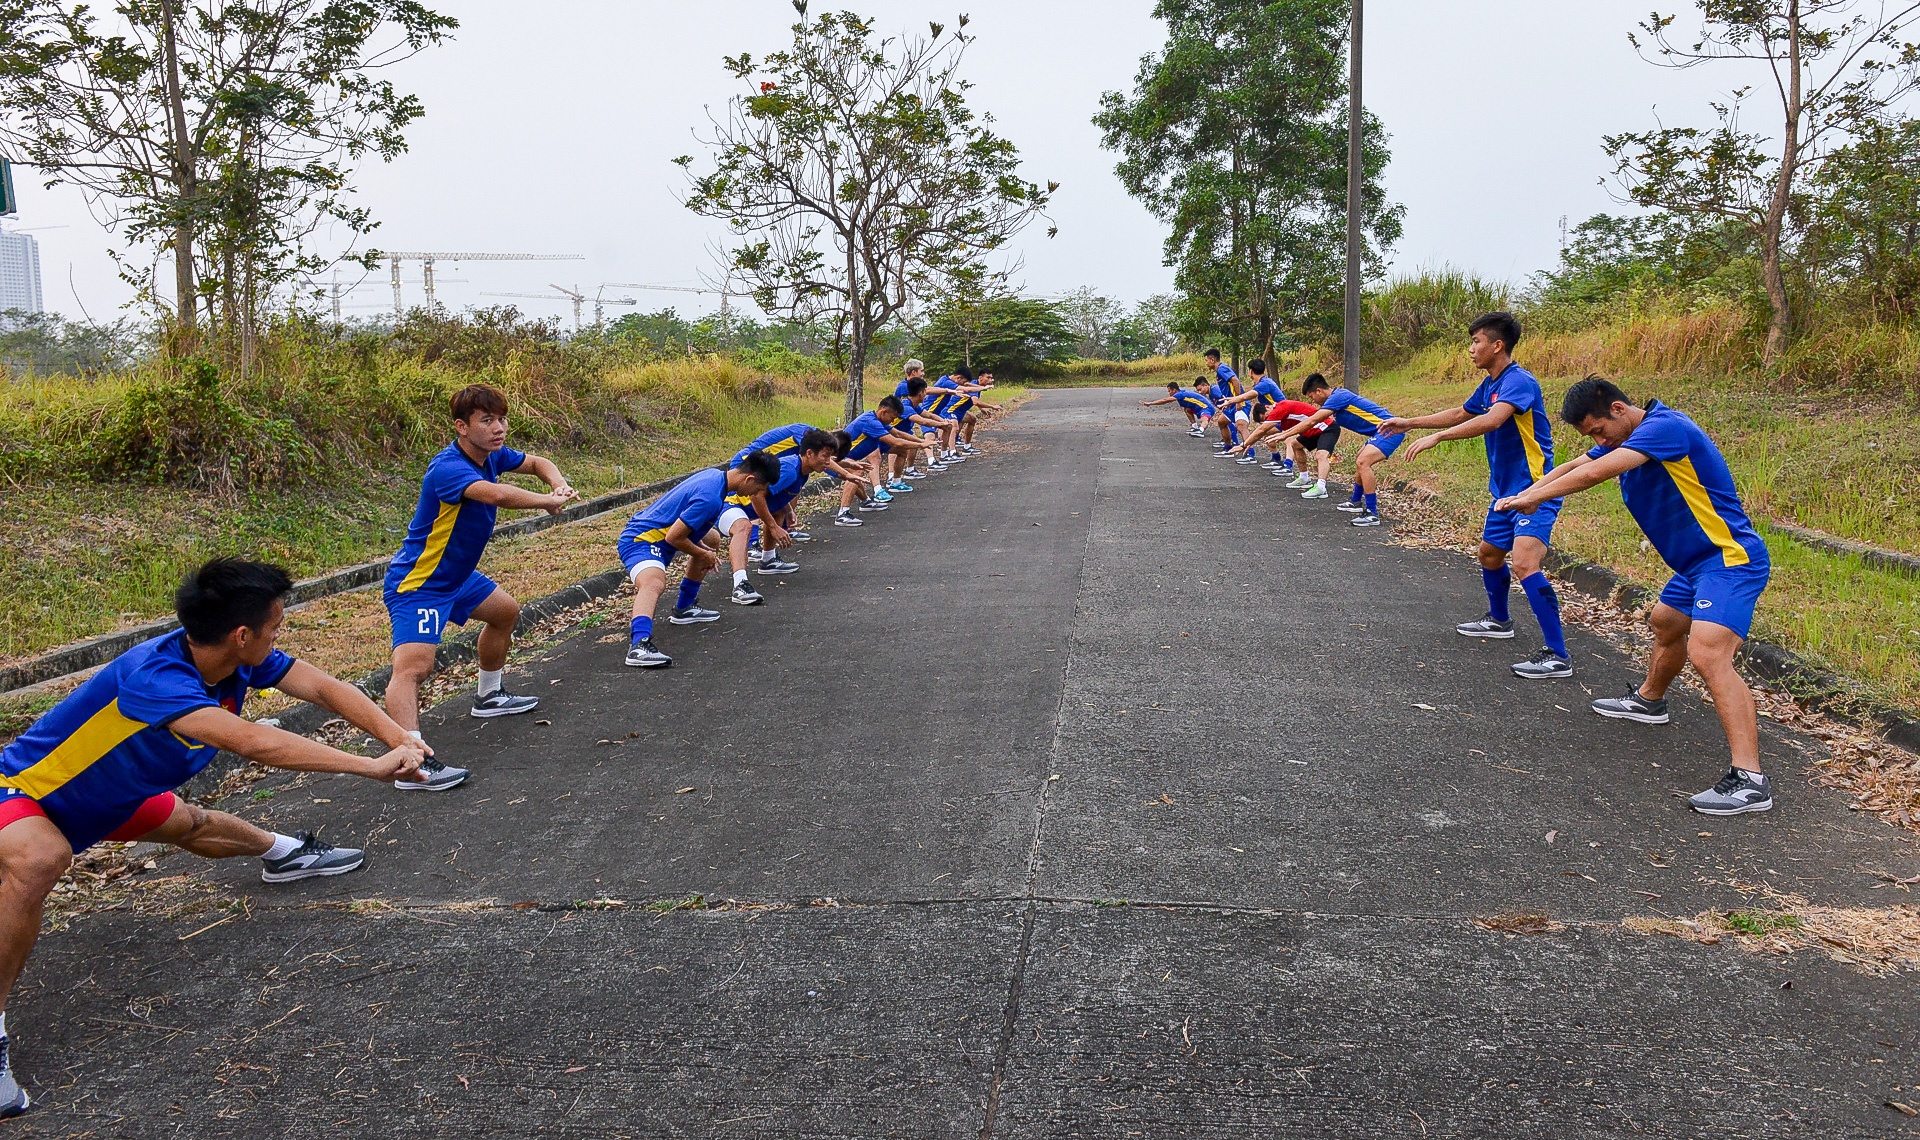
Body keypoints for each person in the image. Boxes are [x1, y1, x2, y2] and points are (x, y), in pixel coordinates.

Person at [0, 559, 432, 1117]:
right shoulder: (155, 679)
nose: (280, 635)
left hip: (114, 798)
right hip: (24, 795)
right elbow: (255, 744)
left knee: (195, 824)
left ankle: (284, 853)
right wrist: (371, 766)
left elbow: (325, 688)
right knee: (39, 859)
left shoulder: (236, 660)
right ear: (242, 634)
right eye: (276, 625)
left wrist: (401, 736)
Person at [1497, 376, 1776, 816]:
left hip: (1729, 560)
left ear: (1619, 409)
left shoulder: (1666, 428)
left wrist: (1534, 501)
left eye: (1598, 431)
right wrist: (1529, 493)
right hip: (1695, 565)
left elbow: (1593, 473)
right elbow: (1574, 465)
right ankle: (1649, 701)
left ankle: (1750, 780)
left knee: (1708, 655)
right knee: (1665, 622)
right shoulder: (1628, 435)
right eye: (1591, 436)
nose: (1598, 440)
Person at [382, 385, 575, 791]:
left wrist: (557, 485)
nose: (498, 428)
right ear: (462, 427)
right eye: (486, 420)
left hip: (457, 577)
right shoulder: (448, 468)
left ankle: (488, 697)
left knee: (505, 612)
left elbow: (539, 462)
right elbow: (499, 495)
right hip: (420, 583)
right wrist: (546, 502)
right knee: (414, 668)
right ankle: (410, 763)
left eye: (501, 419)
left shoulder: (493, 456)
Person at [1381, 312, 1571, 680]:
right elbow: (1462, 412)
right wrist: (1410, 423)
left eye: (1476, 342)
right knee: (1488, 554)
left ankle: (1557, 655)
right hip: (1503, 492)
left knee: (1525, 563)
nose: (1471, 350)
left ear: (1497, 345)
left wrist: (1438, 438)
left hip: (1536, 490)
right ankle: (1500, 620)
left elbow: (1492, 420)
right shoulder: (1491, 384)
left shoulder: (1519, 382)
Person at [619, 452, 780, 668]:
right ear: (749, 479)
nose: (757, 494)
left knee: (712, 537)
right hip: (642, 539)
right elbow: (673, 537)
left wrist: (702, 548)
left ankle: (684, 607)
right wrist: (702, 554)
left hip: (658, 534)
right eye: (760, 489)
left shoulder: (716, 478)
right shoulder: (710, 497)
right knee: (654, 583)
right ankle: (639, 645)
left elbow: (684, 526)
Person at [715, 429, 842, 601]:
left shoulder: (802, 471)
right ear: (810, 454)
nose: (828, 462)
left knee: (778, 510)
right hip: (727, 506)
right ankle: (740, 585)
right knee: (743, 527)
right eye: (825, 456)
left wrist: (787, 510)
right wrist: (774, 528)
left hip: (738, 508)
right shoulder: (790, 470)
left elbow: (774, 495)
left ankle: (768, 560)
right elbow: (756, 495)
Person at [1272, 374, 1405, 527]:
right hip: (1379, 432)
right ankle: (1355, 501)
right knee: (1360, 459)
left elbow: (1313, 420)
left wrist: (1284, 434)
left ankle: (1372, 513)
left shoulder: (1338, 397)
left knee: (1363, 462)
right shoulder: (1336, 399)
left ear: (1319, 391)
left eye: (1312, 396)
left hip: (1390, 430)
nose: (1312, 401)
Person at [1229, 379, 1340, 496]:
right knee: (1295, 445)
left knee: (1321, 455)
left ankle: (1321, 488)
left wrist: (1243, 445)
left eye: (1266, 417)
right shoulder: (1280, 415)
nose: (1267, 420)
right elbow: (1264, 432)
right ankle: (1304, 478)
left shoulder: (1280, 408)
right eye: (1264, 420)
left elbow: (1262, 430)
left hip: (1327, 427)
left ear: (1267, 407)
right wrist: (1251, 442)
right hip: (1313, 431)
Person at [1214, 359, 1291, 467]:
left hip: (1284, 415)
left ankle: (1287, 465)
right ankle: (1276, 459)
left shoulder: (1264, 384)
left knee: (1286, 438)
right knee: (1267, 433)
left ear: (1250, 371)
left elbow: (1248, 396)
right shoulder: (1265, 382)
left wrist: (1234, 400)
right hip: (1279, 414)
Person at [1141, 381, 1215, 437]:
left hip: (1206, 408)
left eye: (1169, 391)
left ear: (1174, 390)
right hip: (1199, 408)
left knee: (1204, 419)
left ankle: (1200, 431)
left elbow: (1165, 400)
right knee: (1187, 409)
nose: (1169, 393)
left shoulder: (1180, 394)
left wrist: (1150, 403)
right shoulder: (1181, 394)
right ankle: (1195, 427)